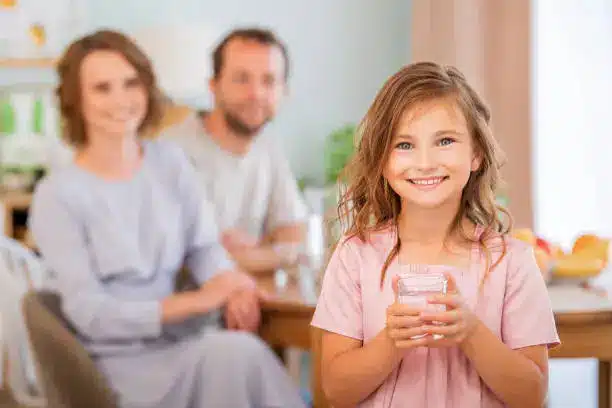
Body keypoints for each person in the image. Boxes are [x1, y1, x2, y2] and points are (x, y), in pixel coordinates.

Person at [28, 30, 306, 408]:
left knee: (239, 353)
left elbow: (205, 247)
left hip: (182, 343)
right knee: (236, 356)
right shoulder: (57, 195)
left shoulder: (169, 163)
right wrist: (200, 300)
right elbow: (90, 314)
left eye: (130, 83)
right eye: (102, 88)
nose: (121, 100)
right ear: (76, 100)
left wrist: (234, 284)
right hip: (117, 366)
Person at [311, 62, 559, 407]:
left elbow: (533, 394)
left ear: (476, 153)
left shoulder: (511, 262)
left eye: (444, 141)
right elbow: (335, 390)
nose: (425, 163)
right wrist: (391, 344)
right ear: (382, 160)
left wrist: (471, 333)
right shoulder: (356, 255)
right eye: (404, 145)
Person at [161, 27, 308, 275]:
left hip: (252, 300)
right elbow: (187, 261)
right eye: (241, 79)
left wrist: (252, 251)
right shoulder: (171, 152)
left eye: (269, 81)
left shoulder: (268, 147)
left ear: (284, 91)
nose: (256, 94)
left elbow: (296, 234)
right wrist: (272, 251)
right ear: (213, 86)